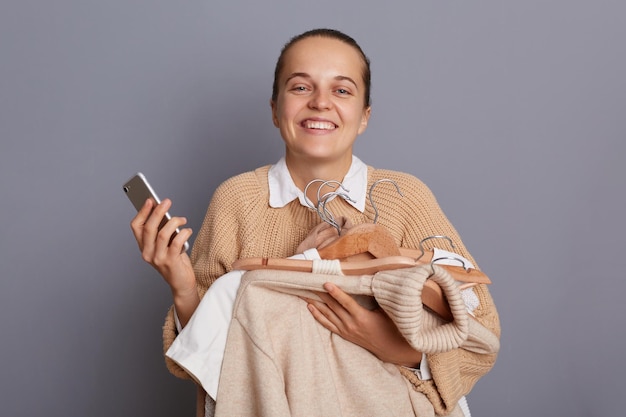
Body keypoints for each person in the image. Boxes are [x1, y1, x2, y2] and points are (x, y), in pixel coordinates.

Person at [130, 28, 500, 416]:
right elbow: (214, 362)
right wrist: (183, 286)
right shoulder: (236, 199)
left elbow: (483, 331)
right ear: (275, 110)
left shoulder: (404, 197)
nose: (321, 103)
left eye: (342, 91)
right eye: (301, 87)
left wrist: (398, 349)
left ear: (364, 117)